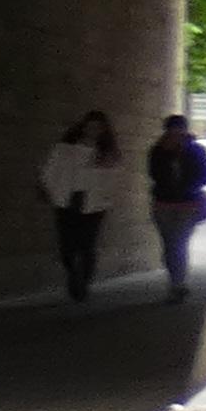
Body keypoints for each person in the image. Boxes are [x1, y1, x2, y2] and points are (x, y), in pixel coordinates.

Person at [38, 113, 121, 303]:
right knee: (66, 244)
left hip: (94, 203)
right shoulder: (65, 149)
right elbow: (50, 168)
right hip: (67, 200)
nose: (93, 131)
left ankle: (83, 280)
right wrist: (47, 188)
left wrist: (107, 191)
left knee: (87, 244)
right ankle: (73, 274)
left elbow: (113, 180)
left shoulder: (107, 154)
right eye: (90, 126)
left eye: (98, 127)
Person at [143, 113, 206, 302]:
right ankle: (175, 278)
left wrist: (190, 184)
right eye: (172, 130)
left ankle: (177, 283)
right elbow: (154, 174)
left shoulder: (196, 150)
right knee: (169, 244)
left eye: (179, 129)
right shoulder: (158, 151)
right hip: (164, 203)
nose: (176, 133)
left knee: (179, 242)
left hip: (188, 203)